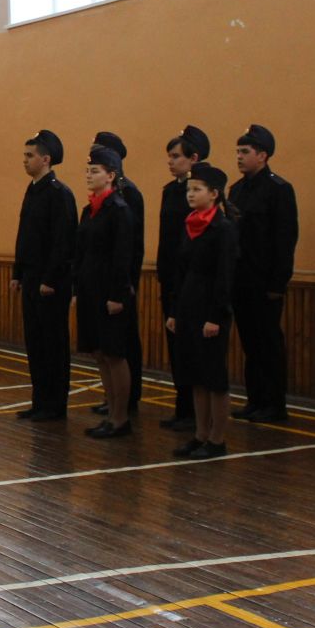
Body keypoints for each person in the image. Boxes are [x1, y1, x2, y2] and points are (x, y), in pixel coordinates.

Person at [165, 162, 238, 459]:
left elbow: (225, 276)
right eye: (189, 189)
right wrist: (174, 311)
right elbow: (180, 272)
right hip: (188, 307)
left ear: (214, 193)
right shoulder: (190, 224)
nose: (190, 194)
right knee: (195, 375)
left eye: (197, 189)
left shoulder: (223, 229)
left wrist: (215, 317)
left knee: (214, 378)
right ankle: (200, 435)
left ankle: (217, 439)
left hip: (210, 312)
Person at [228, 124, 300, 424]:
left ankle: (274, 403)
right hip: (242, 280)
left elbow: (285, 239)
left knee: (268, 343)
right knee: (250, 343)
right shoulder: (236, 190)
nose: (239, 157)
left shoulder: (278, 190)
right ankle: (255, 399)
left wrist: (277, 283)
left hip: (265, 282)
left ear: (263, 155)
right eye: (238, 151)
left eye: (245, 151)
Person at [11, 129, 77, 421]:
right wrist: (17, 271)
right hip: (31, 278)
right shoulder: (33, 189)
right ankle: (39, 400)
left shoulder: (59, 194)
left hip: (51, 283)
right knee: (35, 342)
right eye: (24, 155)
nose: (25, 160)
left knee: (53, 344)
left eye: (30, 155)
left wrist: (50, 279)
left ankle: (55, 404)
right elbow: (25, 235)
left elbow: (63, 243)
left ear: (46, 159)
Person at [74, 146, 137, 439]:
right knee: (99, 353)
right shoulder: (89, 211)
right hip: (90, 290)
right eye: (87, 171)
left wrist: (117, 295)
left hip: (109, 291)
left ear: (111, 176)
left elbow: (123, 256)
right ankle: (110, 413)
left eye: (95, 171)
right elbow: (81, 252)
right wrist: (77, 288)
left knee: (114, 354)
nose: (89, 175)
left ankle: (121, 418)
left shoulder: (119, 210)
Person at [156, 125, 209, 433]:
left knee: (191, 347)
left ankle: (194, 412)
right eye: (170, 156)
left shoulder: (202, 195)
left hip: (192, 280)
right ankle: (182, 406)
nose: (171, 161)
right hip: (171, 278)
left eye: (176, 156)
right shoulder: (169, 191)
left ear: (194, 159)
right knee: (175, 345)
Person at [91, 132, 145, 418]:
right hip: (103, 280)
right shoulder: (99, 198)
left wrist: (128, 283)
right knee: (106, 346)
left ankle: (128, 398)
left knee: (124, 344)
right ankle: (113, 399)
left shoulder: (128, 193)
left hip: (122, 282)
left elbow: (131, 244)